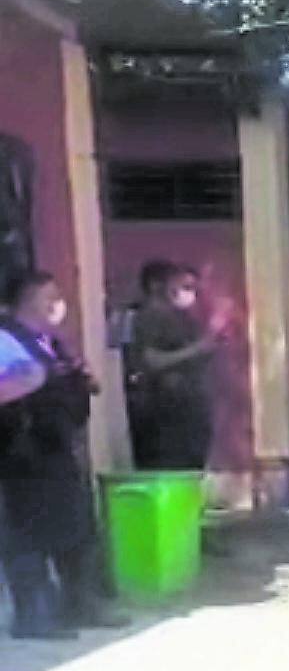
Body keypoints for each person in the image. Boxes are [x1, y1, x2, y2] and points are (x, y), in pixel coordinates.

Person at [0, 271, 123, 639]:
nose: (57, 304)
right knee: (28, 536)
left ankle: (80, 605)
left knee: (75, 529)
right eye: (48, 296)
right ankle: (34, 616)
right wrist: (33, 379)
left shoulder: (50, 341)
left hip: (56, 450)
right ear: (26, 300)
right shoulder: (5, 340)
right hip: (21, 455)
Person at [128, 261, 227, 470]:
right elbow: (150, 360)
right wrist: (197, 349)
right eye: (179, 285)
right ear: (157, 285)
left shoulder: (183, 318)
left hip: (190, 413)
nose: (186, 292)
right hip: (165, 416)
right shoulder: (149, 316)